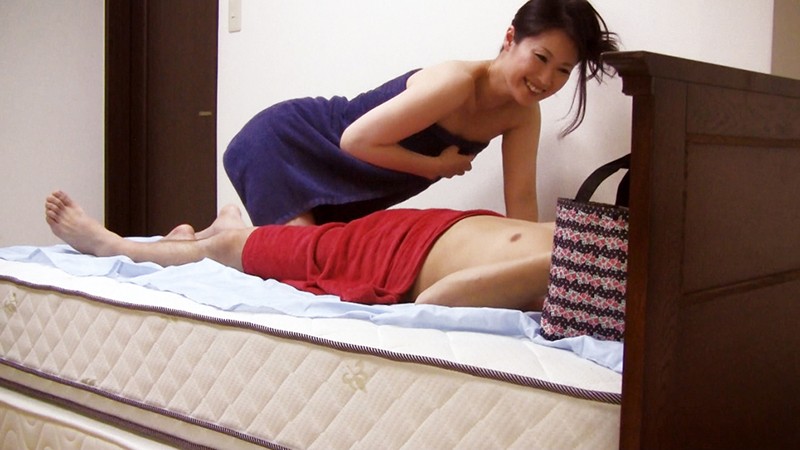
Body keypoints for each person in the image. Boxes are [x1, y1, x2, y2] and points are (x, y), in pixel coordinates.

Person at [222, 0, 618, 227]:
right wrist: (435, 167)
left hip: (346, 183)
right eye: (541, 58)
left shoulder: (522, 115)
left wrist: (529, 267)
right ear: (511, 38)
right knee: (301, 263)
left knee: (316, 263)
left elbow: (522, 203)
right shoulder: (457, 82)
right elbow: (355, 141)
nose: (546, 80)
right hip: (289, 143)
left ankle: (222, 228)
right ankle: (222, 235)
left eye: (563, 71)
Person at [45, 191, 555, 311]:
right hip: (411, 231)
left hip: (385, 259)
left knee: (231, 248)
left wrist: (556, 266)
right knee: (254, 245)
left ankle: (112, 245)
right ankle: (220, 234)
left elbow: (435, 301)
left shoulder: (577, 281)